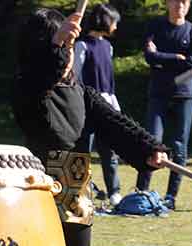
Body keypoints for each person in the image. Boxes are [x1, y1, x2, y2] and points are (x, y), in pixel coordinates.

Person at [12, 8, 168, 246]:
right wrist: (57, 43)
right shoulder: (29, 85)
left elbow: (113, 122)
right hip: (39, 194)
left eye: (70, 45)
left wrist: (149, 149)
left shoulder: (78, 90)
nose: (69, 53)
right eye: (63, 45)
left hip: (76, 193)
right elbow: (42, 77)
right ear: (45, 48)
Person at [135, 0, 192, 210]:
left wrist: (162, 57)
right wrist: (176, 57)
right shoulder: (155, 27)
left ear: (189, 5)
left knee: (179, 146)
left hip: (184, 96)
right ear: (167, 3)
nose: (179, 6)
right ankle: (141, 191)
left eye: (184, 2)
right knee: (151, 142)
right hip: (158, 94)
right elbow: (149, 56)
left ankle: (171, 197)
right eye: (175, 1)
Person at [73, 3, 124, 206]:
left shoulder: (107, 46)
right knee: (84, 149)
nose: (116, 27)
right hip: (86, 105)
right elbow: (76, 76)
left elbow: (108, 82)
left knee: (109, 151)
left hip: (106, 105)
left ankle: (114, 191)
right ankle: (80, 190)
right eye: (114, 22)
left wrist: (114, 108)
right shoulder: (82, 45)